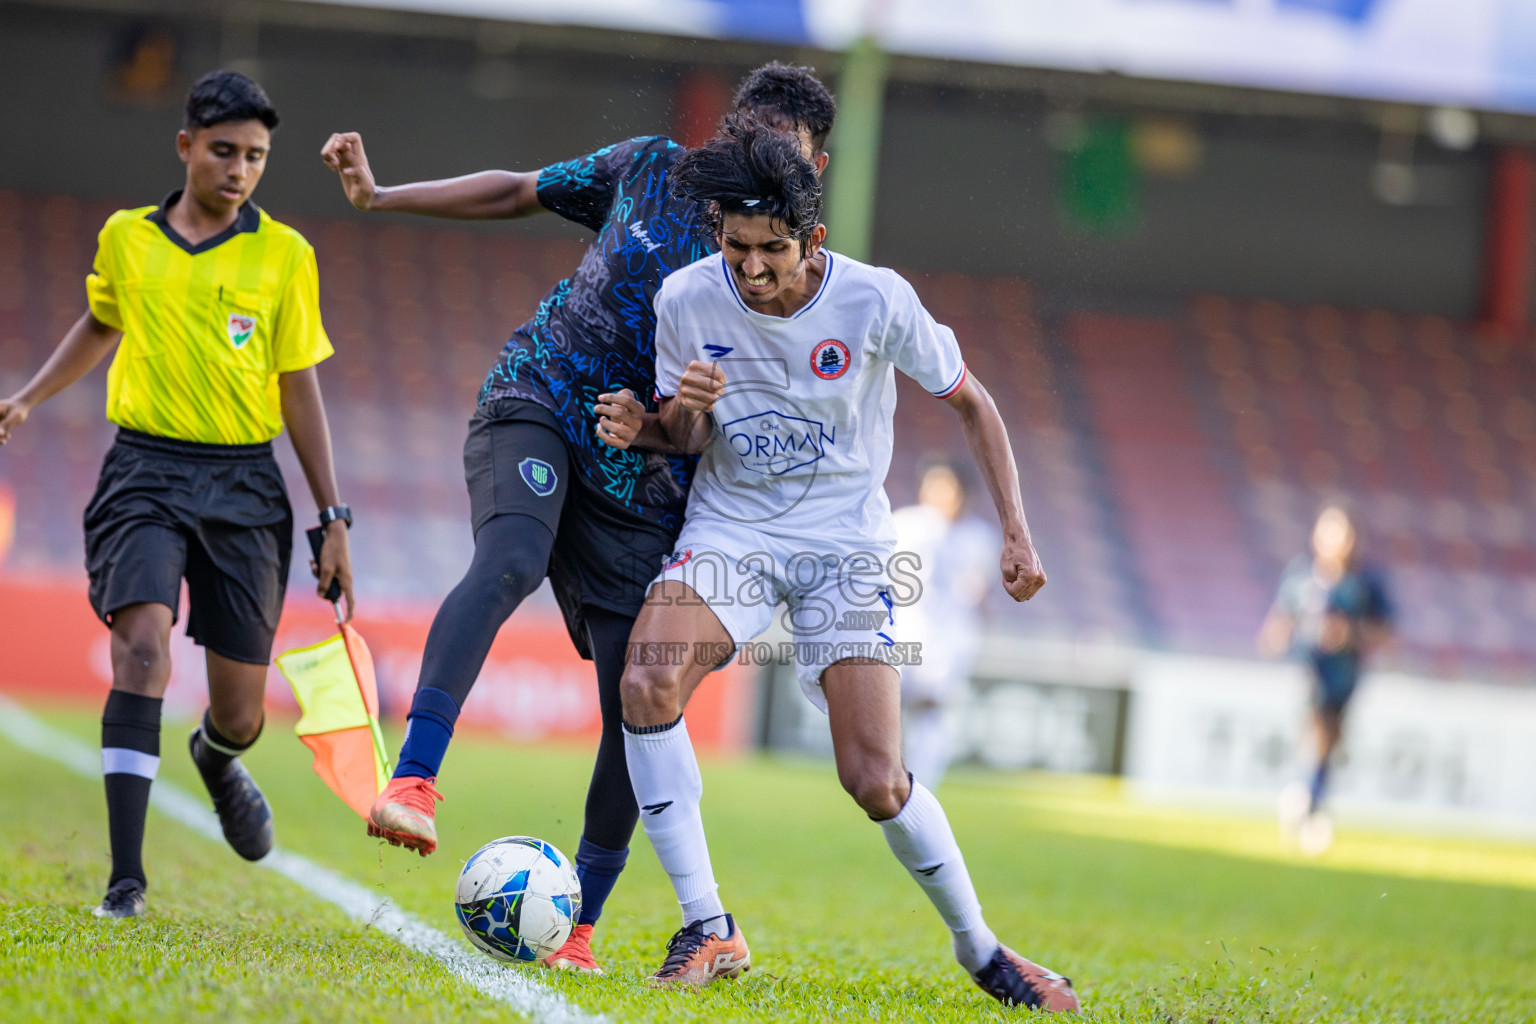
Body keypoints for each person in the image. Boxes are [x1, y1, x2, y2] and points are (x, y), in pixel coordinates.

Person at [319, 63, 836, 972]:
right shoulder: (645, 167)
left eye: (780, 160)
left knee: (635, 703)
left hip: (644, 483)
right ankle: (414, 778)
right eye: (745, 143)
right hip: (545, 395)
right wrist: (383, 194)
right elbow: (521, 190)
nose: (754, 171)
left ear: (814, 172)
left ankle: (581, 927)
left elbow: (761, 429)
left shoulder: (794, 288)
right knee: (513, 557)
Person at [604, 115, 1080, 1011]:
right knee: (646, 682)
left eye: (772, 251)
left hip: (849, 552)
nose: (751, 270)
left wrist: (1017, 530)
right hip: (734, 530)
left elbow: (973, 405)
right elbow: (683, 435)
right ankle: (707, 923)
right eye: (737, 248)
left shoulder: (876, 300)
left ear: (811, 238)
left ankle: (982, 950)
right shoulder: (687, 300)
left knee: (875, 780)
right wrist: (658, 422)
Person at [0, 71, 355, 919]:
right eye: (225, 150)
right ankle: (126, 880)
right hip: (145, 474)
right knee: (144, 649)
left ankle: (216, 755)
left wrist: (332, 517)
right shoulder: (127, 238)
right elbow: (100, 321)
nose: (240, 169)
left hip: (244, 485)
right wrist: (26, 398)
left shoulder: (286, 256)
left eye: (256, 157)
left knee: (241, 714)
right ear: (186, 145)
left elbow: (298, 385)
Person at [1258, 503, 1392, 855]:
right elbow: (1281, 619)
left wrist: (1350, 635)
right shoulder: (1301, 575)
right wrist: (1275, 638)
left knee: (1329, 740)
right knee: (1318, 726)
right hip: (1308, 668)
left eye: (1344, 534)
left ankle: (1306, 796)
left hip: (1346, 675)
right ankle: (1311, 805)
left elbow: (1385, 632)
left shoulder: (1366, 583)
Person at [893, 460, 996, 790]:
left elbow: (976, 592)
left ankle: (920, 785)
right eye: (933, 485)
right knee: (888, 702)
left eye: (947, 487)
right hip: (900, 628)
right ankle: (886, 772)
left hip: (948, 638)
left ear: (963, 494)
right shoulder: (903, 524)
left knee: (930, 709)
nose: (938, 495)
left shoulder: (979, 538)